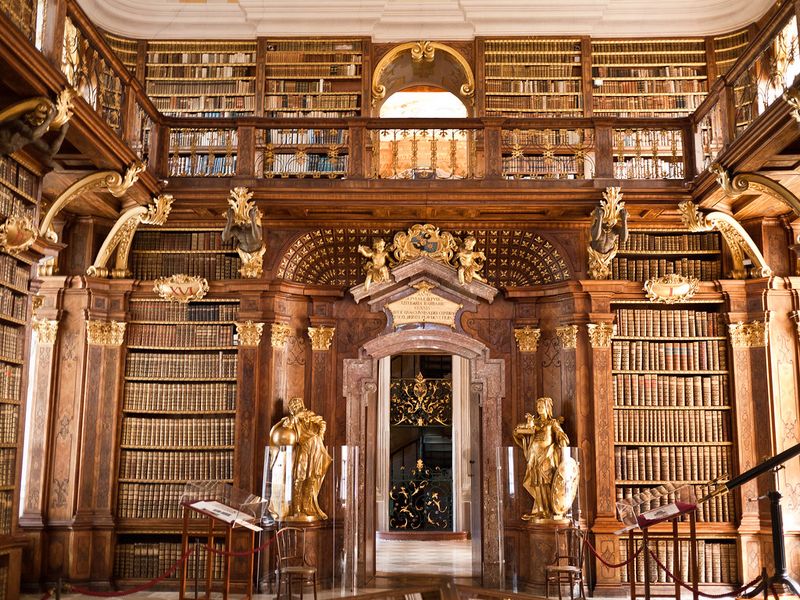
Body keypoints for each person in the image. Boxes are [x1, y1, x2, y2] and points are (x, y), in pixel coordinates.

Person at [269, 397, 332, 521]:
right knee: (299, 477)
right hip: (303, 447)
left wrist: (320, 434)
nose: (296, 406)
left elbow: (322, 423)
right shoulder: (292, 419)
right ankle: (296, 508)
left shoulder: (310, 415)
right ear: (291, 409)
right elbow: (285, 428)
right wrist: (293, 419)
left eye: (298, 403)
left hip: (315, 446)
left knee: (312, 478)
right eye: (293, 405)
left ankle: (306, 506)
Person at [512, 397, 569, 521]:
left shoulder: (552, 423)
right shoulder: (534, 423)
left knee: (547, 481)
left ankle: (549, 509)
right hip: (534, 455)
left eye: (542, 406)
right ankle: (540, 509)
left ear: (547, 408)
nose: (539, 409)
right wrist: (526, 425)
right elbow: (520, 431)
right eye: (538, 407)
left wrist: (562, 438)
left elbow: (559, 433)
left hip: (547, 455)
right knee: (536, 481)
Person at [0, 102, 69, 169]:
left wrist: (62, 133)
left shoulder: (20, 132)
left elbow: (50, 151)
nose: (42, 130)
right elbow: (33, 136)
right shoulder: (17, 126)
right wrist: (49, 120)